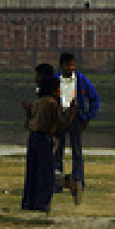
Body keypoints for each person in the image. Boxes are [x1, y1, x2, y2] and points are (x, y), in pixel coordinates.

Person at [22, 64, 77, 212]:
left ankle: (29, 203)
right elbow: (60, 124)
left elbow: (29, 123)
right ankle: (42, 204)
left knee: (33, 173)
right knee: (45, 174)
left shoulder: (38, 102)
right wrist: (72, 112)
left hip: (34, 139)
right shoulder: (52, 103)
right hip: (44, 139)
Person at [53, 52, 100, 200]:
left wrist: (86, 117)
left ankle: (78, 180)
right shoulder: (55, 80)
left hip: (75, 118)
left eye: (72, 65)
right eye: (68, 65)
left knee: (77, 152)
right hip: (59, 119)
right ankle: (57, 182)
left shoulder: (81, 80)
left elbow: (94, 98)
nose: (70, 68)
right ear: (62, 66)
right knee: (57, 152)